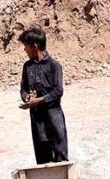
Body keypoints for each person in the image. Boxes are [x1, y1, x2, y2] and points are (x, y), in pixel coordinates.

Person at [18, 27, 69, 165]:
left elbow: (58, 91)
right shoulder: (27, 66)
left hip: (53, 115)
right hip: (37, 118)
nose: (25, 50)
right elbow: (23, 89)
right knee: (41, 155)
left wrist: (38, 100)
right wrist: (27, 97)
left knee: (60, 153)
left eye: (26, 46)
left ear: (34, 47)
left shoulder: (54, 66)